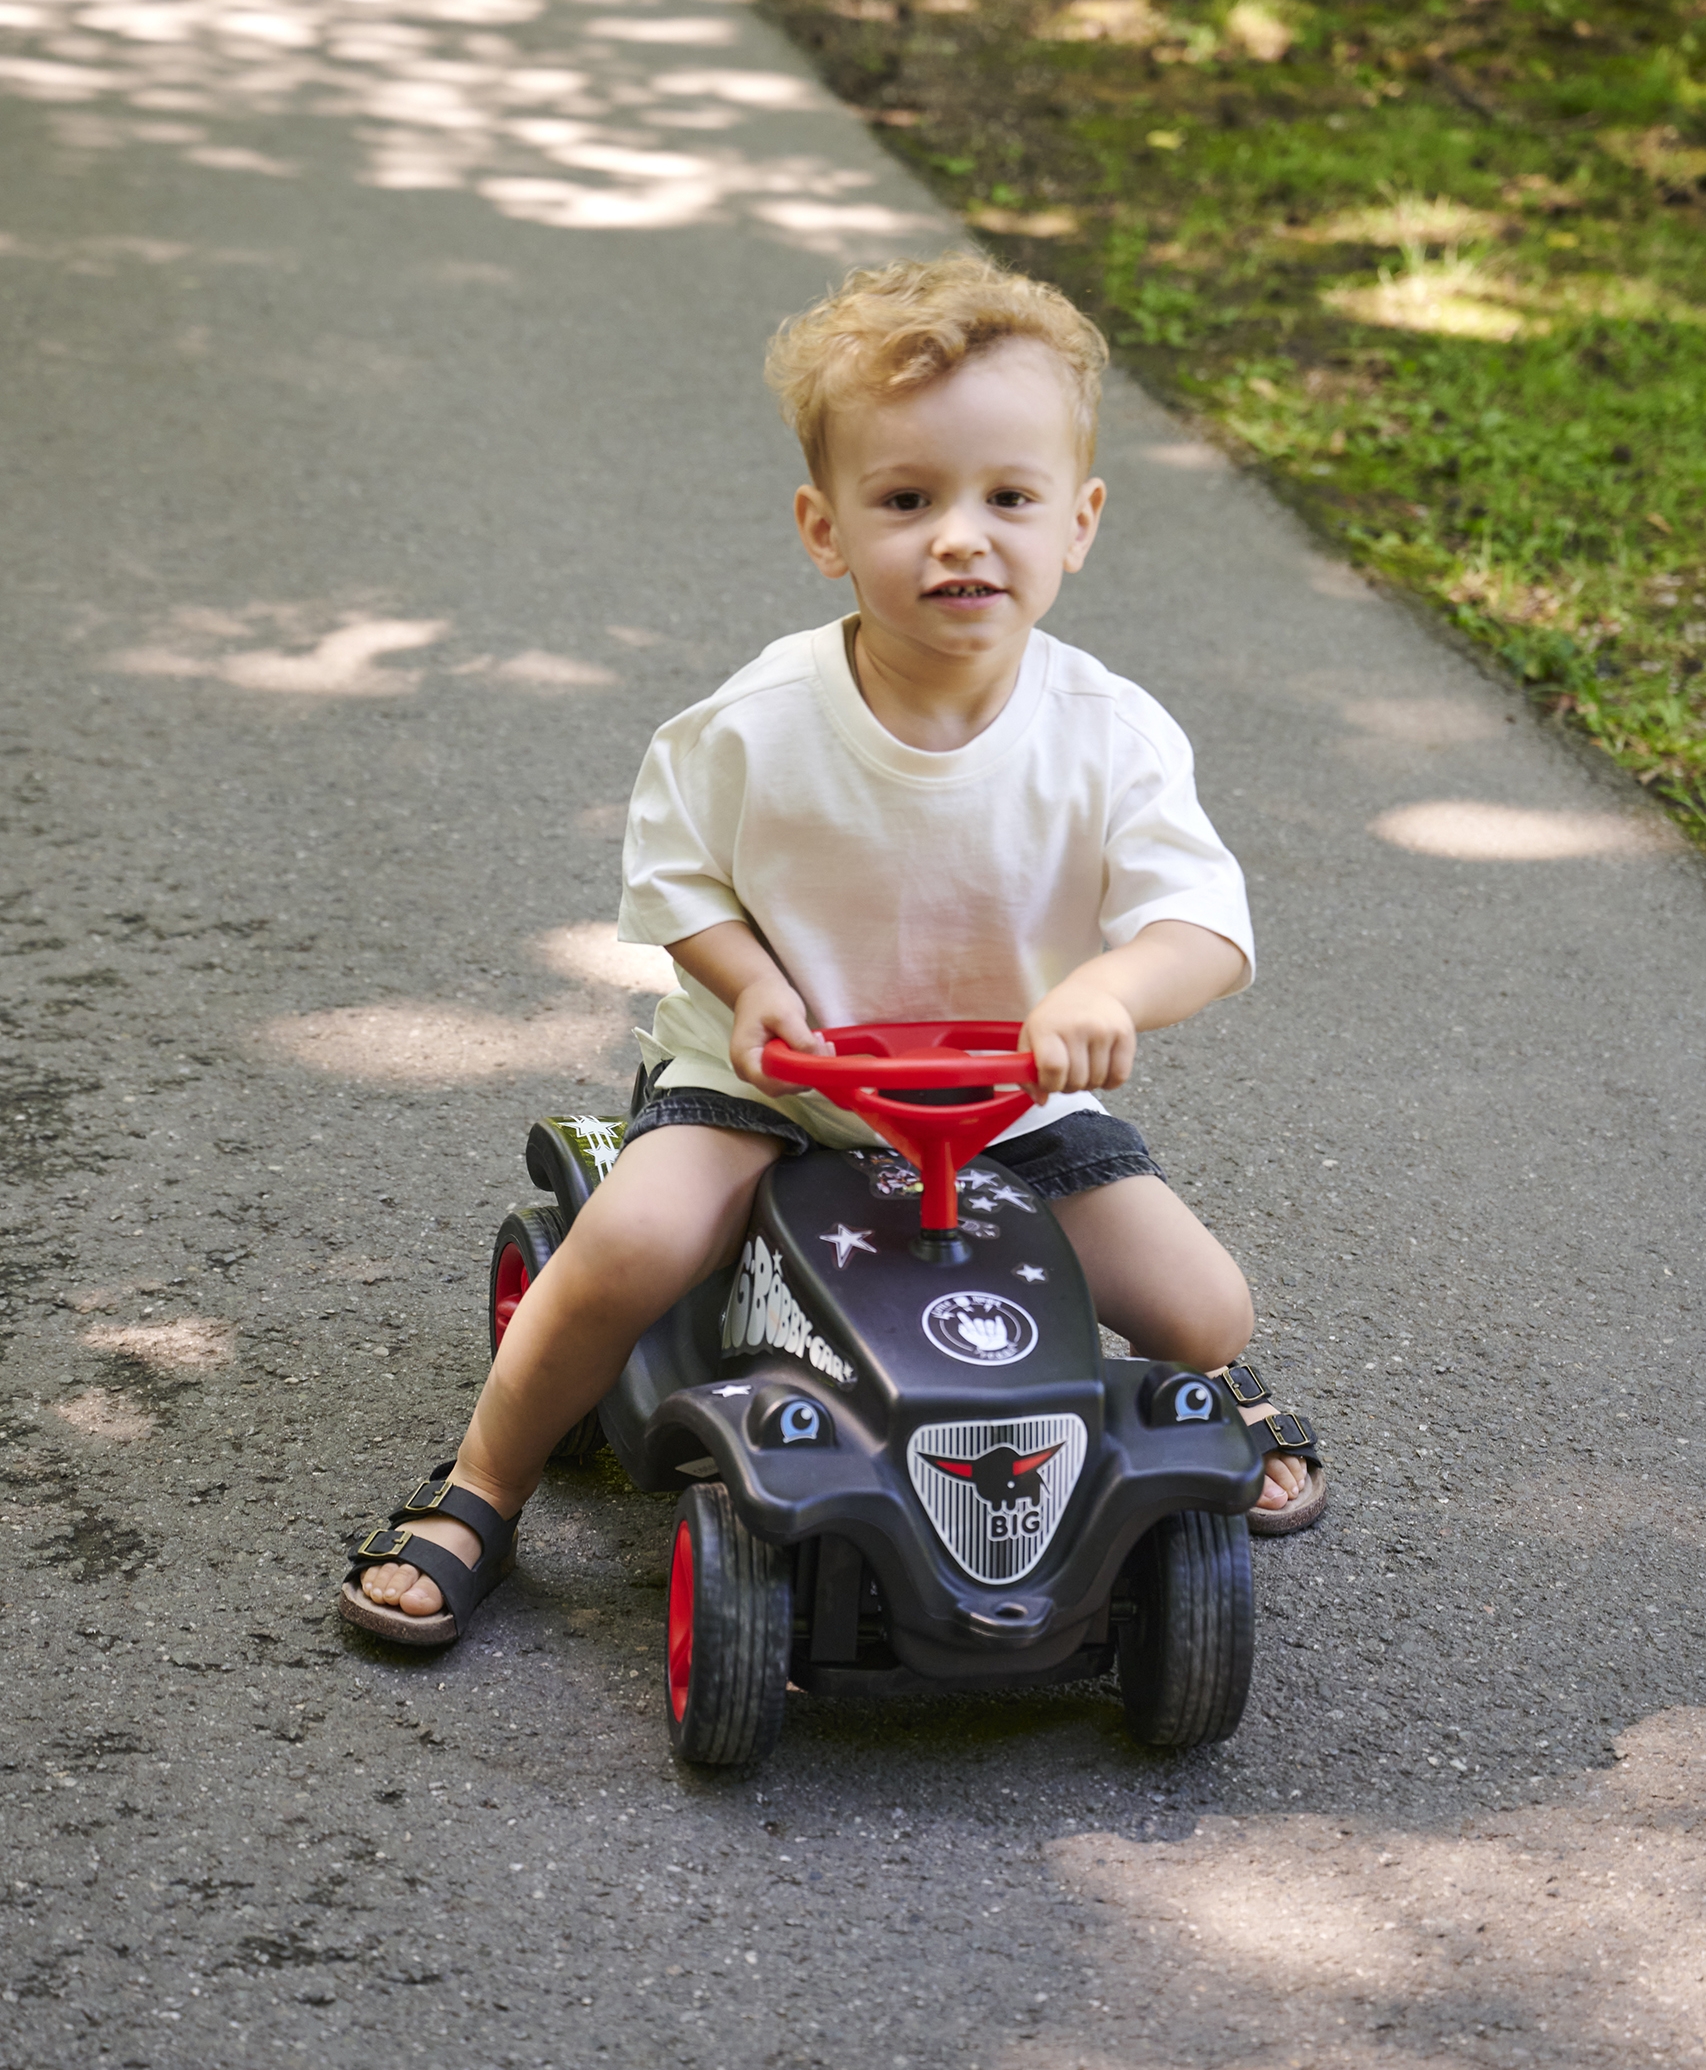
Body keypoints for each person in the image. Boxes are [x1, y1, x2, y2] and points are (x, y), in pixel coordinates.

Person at [341, 253, 1324, 1646]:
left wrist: (1112, 986)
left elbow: (1202, 924)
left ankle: (1177, 1412)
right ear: (826, 527)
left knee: (1201, 1307)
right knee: (632, 1240)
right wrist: (749, 987)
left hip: (1010, 1101)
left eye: (1008, 499)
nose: (959, 540)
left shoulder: (1109, 735)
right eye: (907, 500)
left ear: (1080, 522)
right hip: (777, 1084)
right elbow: (675, 879)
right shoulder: (758, 722)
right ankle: (482, 1486)